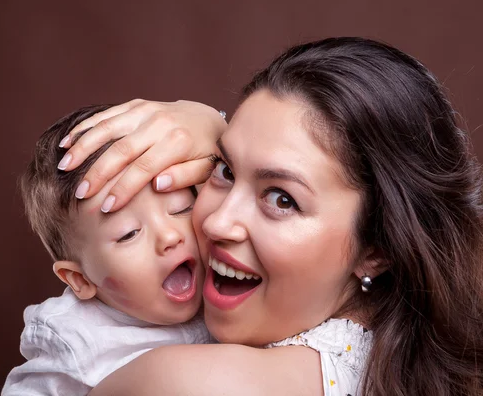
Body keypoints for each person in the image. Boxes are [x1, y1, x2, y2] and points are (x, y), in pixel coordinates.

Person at [58, 38, 483, 395]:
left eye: (282, 200)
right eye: (223, 170)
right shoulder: (404, 363)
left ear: (377, 248)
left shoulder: (185, 383)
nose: (215, 223)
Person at [1, 105, 212, 396]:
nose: (169, 236)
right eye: (129, 234)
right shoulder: (76, 340)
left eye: (181, 209)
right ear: (80, 279)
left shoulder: (225, 277)